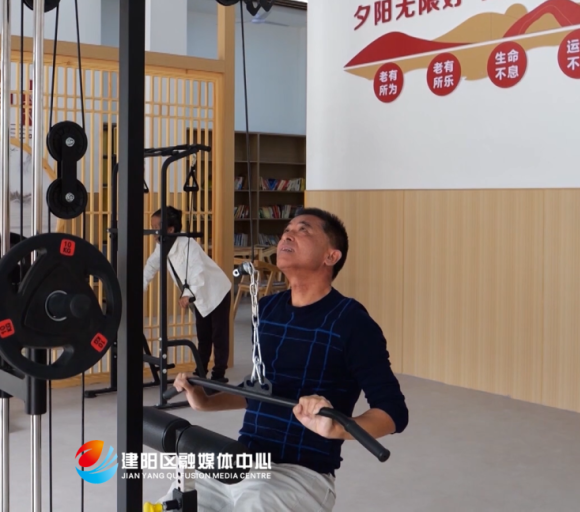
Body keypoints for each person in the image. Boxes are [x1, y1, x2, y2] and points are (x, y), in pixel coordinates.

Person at [168, 207, 409, 512]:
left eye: (303, 230)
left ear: (331, 256)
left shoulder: (352, 322)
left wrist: (336, 428)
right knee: (174, 500)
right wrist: (205, 401)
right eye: (286, 230)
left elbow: (393, 412)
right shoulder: (267, 309)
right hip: (243, 460)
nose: (287, 235)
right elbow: (261, 388)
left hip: (301, 475)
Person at [143, 206, 233, 383]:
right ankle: (201, 371)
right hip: (199, 295)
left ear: (170, 229)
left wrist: (187, 294)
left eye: (156, 227)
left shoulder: (188, 244)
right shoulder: (162, 245)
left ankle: (219, 375)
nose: (153, 232)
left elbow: (197, 271)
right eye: (152, 227)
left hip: (217, 291)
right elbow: (152, 265)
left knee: (218, 335)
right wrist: (141, 287)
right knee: (203, 335)